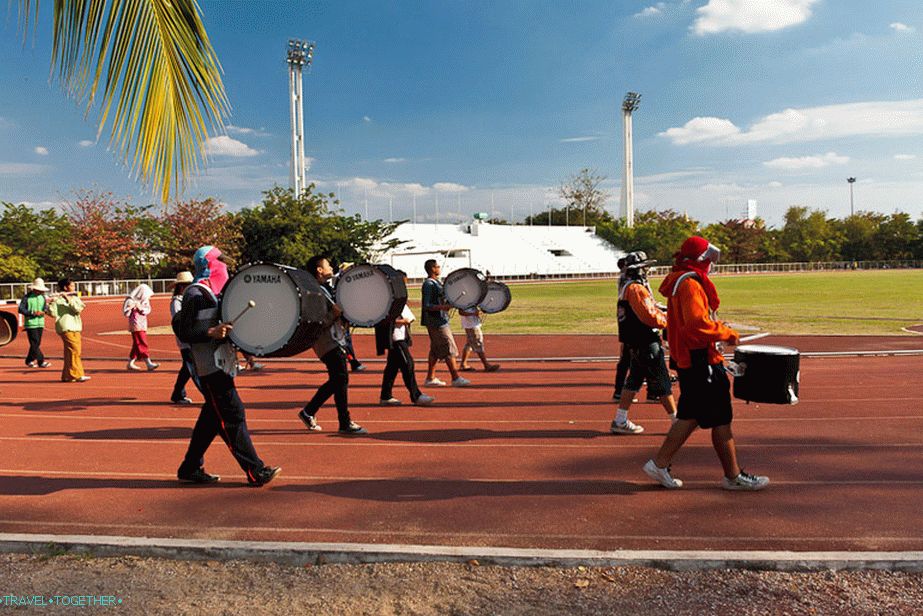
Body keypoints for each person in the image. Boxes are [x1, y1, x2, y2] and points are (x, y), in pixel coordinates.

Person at [642, 236, 769, 491]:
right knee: (720, 417)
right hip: (701, 360)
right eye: (709, 259)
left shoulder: (681, 280)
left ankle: (660, 464)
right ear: (701, 260)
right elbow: (697, 324)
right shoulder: (689, 284)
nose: (711, 265)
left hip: (691, 359)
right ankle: (733, 476)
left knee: (690, 416)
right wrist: (726, 333)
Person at [174, 245, 280, 486]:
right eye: (219, 261)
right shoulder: (196, 294)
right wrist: (211, 331)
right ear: (207, 265)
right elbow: (183, 329)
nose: (224, 265)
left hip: (220, 364)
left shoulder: (215, 294)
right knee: (233, 414)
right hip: (209, 366)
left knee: (211, 419)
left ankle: (190, 467)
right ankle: (256, 470)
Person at [297, 255, 367, 434]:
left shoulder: (323, 289)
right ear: (319, 270)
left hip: (334, 340)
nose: (331, 267)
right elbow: (315, 322)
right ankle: (344, 422)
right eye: (327, 265)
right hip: (326, 342)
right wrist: (333, 315)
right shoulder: (314, 293)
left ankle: (310, 412)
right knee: (340, 378)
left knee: (338, 379)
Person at [611, 251, 677, 434]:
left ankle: (620, 420)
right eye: (644, 268)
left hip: (636, 341)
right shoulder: (636, 289)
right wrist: (669, 319)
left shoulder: (627, 287)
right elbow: (649, 317)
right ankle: (676, 420)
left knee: (634, 380)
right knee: (662, 380)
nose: (647, 271)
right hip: (645, 340)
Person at [376, 271, 435, 406]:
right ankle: (416, 396)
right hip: (396, 337)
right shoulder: (387, 299)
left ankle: (385, 395)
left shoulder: (398, 298)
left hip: (401, 335)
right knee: (407, 364)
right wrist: (403, 321)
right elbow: (385, 319)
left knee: (392, 367)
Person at [421, 259, 470, 388]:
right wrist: (443, 307)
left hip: (438, 319)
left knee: (435, 350)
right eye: (437, 266)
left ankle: (430, 378)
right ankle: (455, 377)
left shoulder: (436, 283)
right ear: (432, 268)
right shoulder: (429, 284)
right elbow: (427, 305)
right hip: (436, 321)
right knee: (449, 348)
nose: (439, 268)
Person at [47, 278, 89, 383]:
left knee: (71, 352)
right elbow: (52, 314)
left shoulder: (74, 298)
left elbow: (78, 309)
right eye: (72, 286)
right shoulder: (58, 300)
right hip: (65, 327)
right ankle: (78, 374)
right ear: (65, 287)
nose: (74, 288)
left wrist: (68, 300)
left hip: (76, 327)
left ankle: (67, 375)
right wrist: (52, 303)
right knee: (75, 350)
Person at [334, 263, 366, 372]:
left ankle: (352, 362)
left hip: (344, 315)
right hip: (342, 316)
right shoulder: (341, 281)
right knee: (344, 341)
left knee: (345, 341)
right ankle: (353, 362)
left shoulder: (343, 281)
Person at [169, 271, 195, 404]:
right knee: (191, 366)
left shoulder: (187, 300)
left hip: (191, 337)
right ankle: (208, 395)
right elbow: (178, 319)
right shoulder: (177, 302)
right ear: (181, 287)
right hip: (184, 338)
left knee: (187, 367)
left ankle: (178, 393)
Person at [123, 283, 159, 371]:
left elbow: (147, 310)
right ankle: (148, 362)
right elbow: (126, 313)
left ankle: (130, 363)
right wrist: (131, 308)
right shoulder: (130, 300)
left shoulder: (144, 301)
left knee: (137, 343)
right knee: (142, 342)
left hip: (143, 324)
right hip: (135, 325)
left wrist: (141, 308)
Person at [18, 278, 52, 368]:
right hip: (30, 323)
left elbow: (45, 308)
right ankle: (41, 361)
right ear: (34, 289)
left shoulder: (43, 297)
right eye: (39, 290)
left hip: (40, 323)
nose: (41, 292)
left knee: (36, 343)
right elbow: (21, 309)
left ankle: (29, 360)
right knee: (35, 342)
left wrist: (45, 311)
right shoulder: (27, 297)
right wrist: (33, 313)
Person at [458, 306, 500, 373]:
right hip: (471, 325)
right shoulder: (465, 301)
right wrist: (473, 314)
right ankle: (486, 365)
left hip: (472, 324)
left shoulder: (472, 300)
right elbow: (461, 312)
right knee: (478, 343)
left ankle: (463, 364)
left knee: (469, 344)